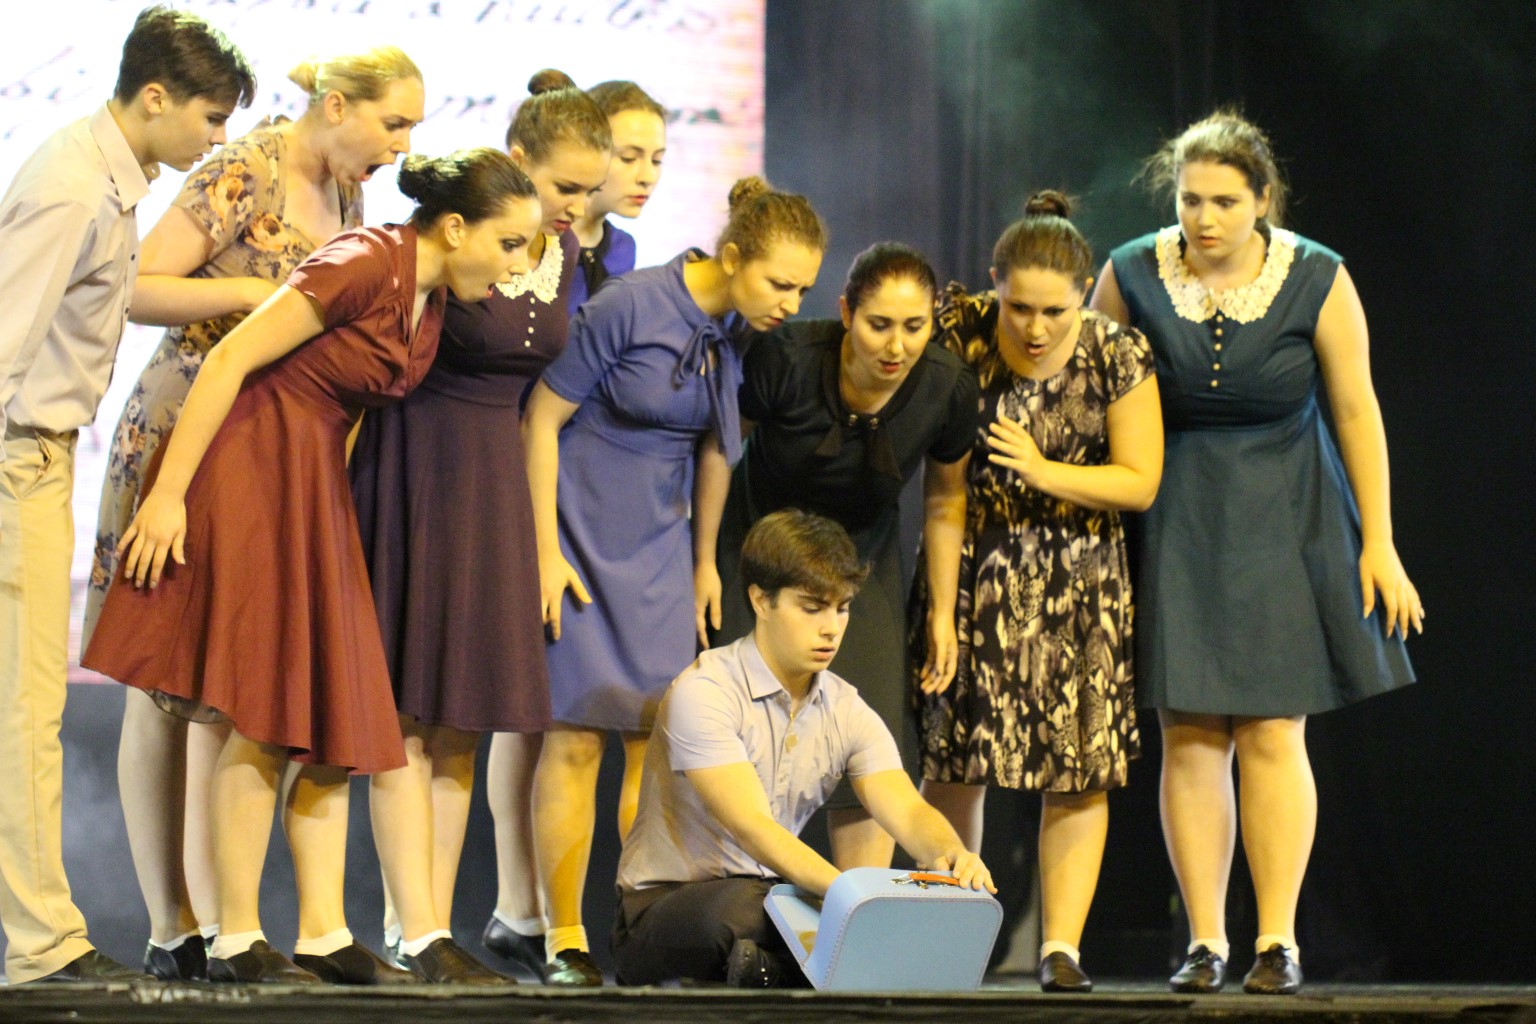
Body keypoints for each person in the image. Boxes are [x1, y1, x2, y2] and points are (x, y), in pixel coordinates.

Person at [82, 148, 543, 985]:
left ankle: (324, 936)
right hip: (250, 467)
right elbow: (231, 360)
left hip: (309, 483)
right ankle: (235, 938)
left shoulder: (429, 298)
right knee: (260, 712)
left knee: (326, 713)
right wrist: (170, 493)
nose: (518, 267)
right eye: (510, 244)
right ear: (454, 228)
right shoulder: (364, 259)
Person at [84, 45, 424, 985]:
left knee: (216, 682)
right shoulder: (245, 168)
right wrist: (254, 296)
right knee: (159, 673)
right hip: (184, 434)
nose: (401, 146)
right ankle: (174, 924)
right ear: (337, 105)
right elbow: (139, 288)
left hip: (269, 451)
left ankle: (223, 923)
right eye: (393, 123)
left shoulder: (349, 192)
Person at [1090, 111, 1421, 995]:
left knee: (1274, 729)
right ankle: (1206, 941)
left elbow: (1356, 410)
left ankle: (1277, 940)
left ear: (1263, 200)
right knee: (1192, 733)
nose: (1203, 219)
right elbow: (1088, 392)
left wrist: (1379, 541)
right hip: (1176, 513)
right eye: (1189, 200)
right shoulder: (1130, 272)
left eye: (1225, 202)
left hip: (1287, 510)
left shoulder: (1317, 275)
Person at [0, 5, 253, 985]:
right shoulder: (72, 186)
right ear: (155, 97)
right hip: (16, 460)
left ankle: (42, 937)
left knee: (27, 713)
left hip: (40, 457)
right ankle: (41, 945)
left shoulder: (104, 177)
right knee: (25, 717)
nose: (218, 139)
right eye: (211, 116)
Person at [522, 175, 826, 985]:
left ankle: (638, 930)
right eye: (780, 283)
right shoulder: (629, 304)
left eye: (803, 289)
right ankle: (563, 939)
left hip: (659, 549)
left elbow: (718, 449)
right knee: (574, 739)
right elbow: (542, 417)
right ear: (733, 256)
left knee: (652, 747)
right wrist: (544, 547)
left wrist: (702, 563)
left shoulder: (737, 331)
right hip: (582, 536)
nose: (791, 303)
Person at [347, 68, 610, 983]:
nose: (574, 206)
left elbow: (544, 406)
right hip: (418, 470)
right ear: (517, 160)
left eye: (589, 191)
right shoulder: (451, 236)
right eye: (563, 186)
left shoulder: (565, 254)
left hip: (497, 483)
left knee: (463, 722)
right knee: (407, 715)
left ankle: (429, 932)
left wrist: (543, 543)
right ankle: (410, 925)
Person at [915, 191, 1163, 993]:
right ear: (995, 285)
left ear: (1085, 294)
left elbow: (1140, 481)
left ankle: (1062, 948)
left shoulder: (1116, 353)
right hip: (977, 573)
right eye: (1018, 307)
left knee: (1077, 771)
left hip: (1081, 587)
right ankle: (947, 940)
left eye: (1054, 310)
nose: (1034, 326)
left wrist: (1042, 469)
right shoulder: (962, 337)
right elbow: (945, 492)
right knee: (954, 763)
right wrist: (943, 614)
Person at [612, 510, 996, 987]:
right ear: (761, 600)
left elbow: (906, 806)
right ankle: (804, 967)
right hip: (665, 910)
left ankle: (772, 970)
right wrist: (851, 898)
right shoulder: (705, 691)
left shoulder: (845, 708)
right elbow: (753, 828)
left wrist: (950, 854)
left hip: (772, 898)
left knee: (803, 908)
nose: (831, 627)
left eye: (842, 608)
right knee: (748, 910)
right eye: (812, 608)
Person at [711, 242, 978, 869]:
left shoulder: (946, 386)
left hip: (861, 559)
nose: (896, 346)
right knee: (742, 715)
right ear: (846, 312)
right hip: (758, 548)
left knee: (872, 723)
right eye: (879, 324)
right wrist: (701, 563)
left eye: (914, 326)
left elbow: (946, 500)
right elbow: (718, 453)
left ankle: (859, 909)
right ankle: (732, 902)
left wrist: (942, 614)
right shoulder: (788, 358)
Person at [566, 80, 668, 313]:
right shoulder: (531, 243)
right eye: (628, 158)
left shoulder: (622, 250)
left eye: (657, 160)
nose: (648, 176)